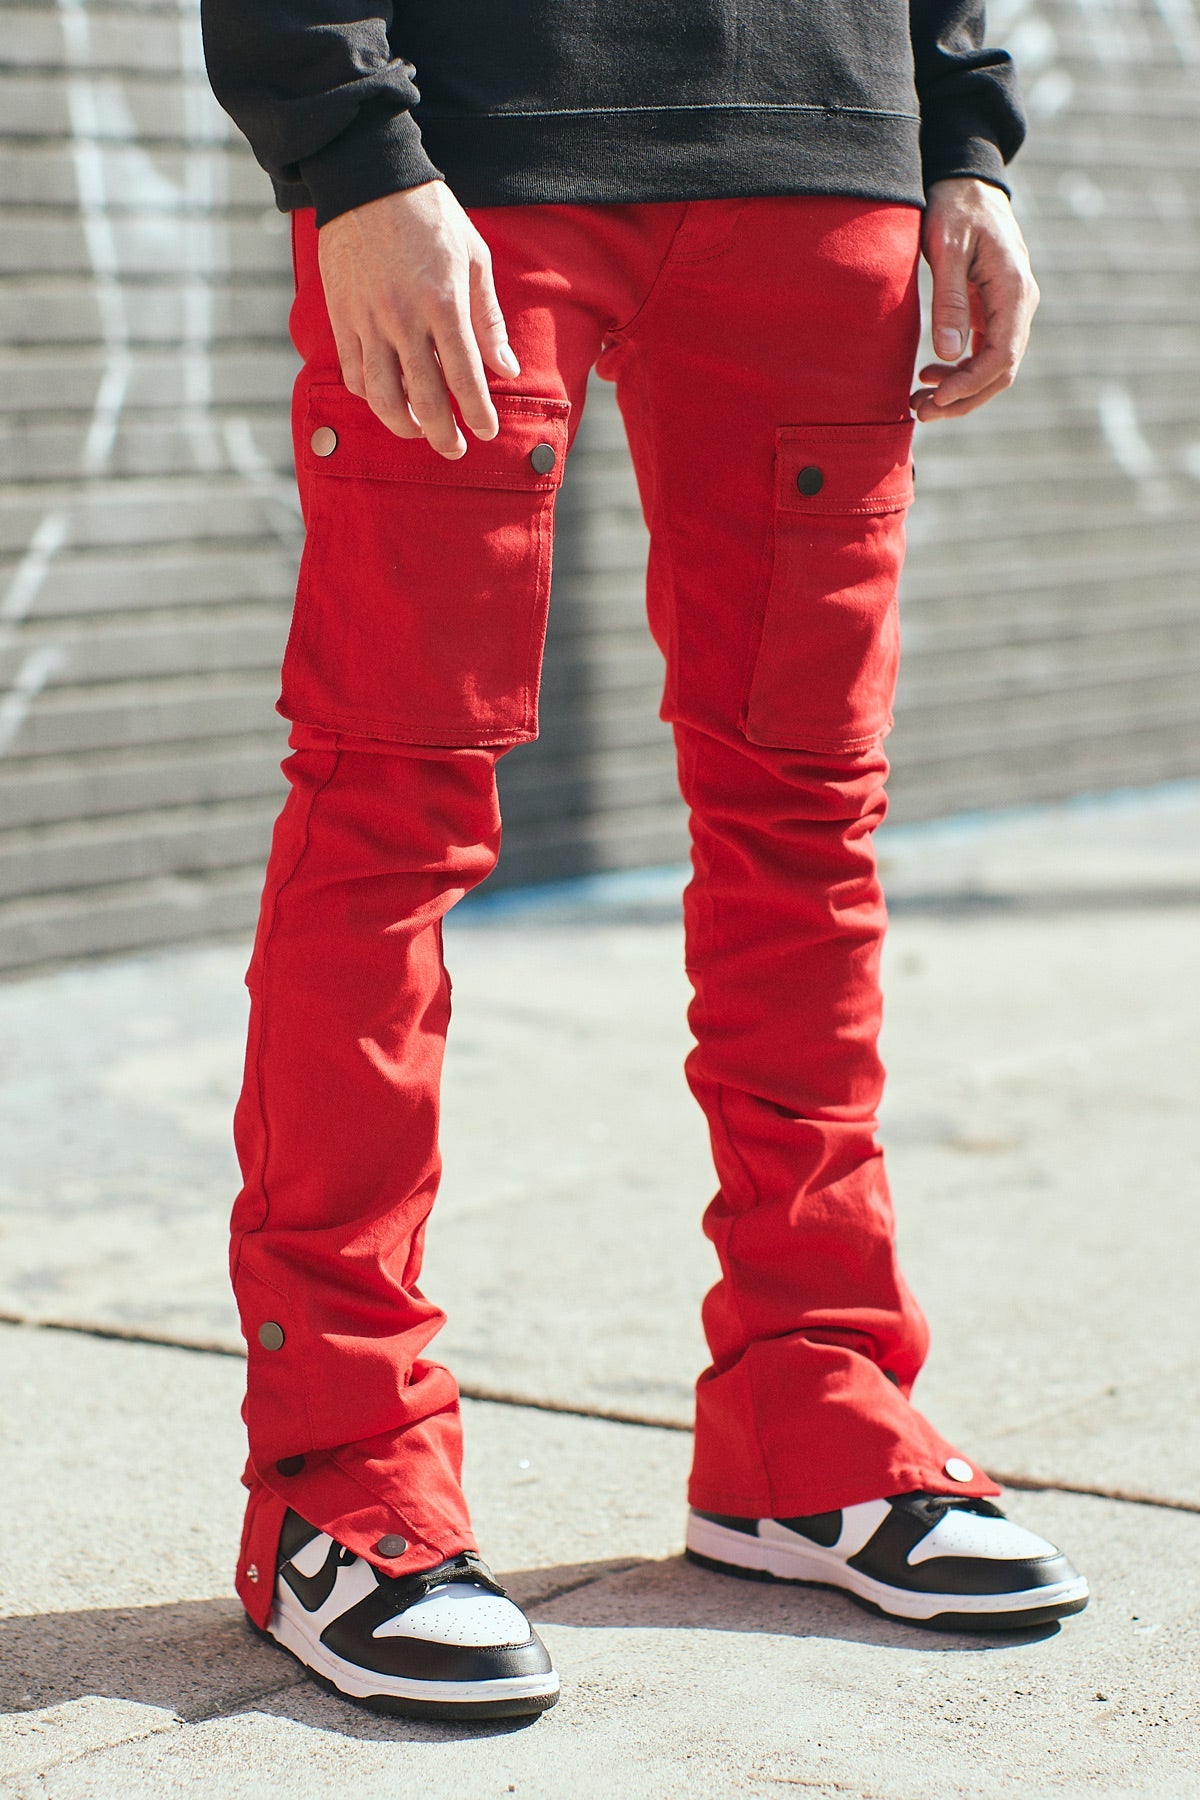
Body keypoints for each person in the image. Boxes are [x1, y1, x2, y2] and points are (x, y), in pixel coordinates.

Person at [200, 0, 1087, 1724]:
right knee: (391, 815)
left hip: (825, 154)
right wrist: (351, 147)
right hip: (480, 147)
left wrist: (961, 137)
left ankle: (809, 1418)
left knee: (806, 823)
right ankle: (341, 1471)